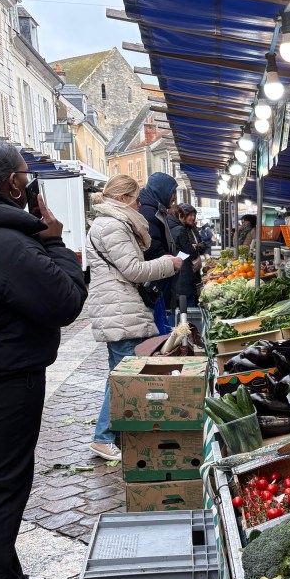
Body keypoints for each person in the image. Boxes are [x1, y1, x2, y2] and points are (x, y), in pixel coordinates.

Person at [0, 138, 87, 579]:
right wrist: (54, 240)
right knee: (5, 485)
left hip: (5, 370)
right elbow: (65, 301)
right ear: (14, 183)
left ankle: (6, 578)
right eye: (26, 176)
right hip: (7, 379)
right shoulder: (9, 243)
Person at [87, 174, 182, 461]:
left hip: (120, 310)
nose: (140, 205)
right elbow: (133, 270)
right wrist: (168, 264)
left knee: (118, 375)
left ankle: (112, 434)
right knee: (124, 378)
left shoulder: (112, 223)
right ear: (122, 199)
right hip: (120, 310)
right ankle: (103, 438)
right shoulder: (112, 226)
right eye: (136, 199)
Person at [139, 171, 178, 315]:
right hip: (155, 280)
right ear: (162, 190)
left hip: (158, 276)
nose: (174, 197)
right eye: (173, 192)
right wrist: (171, 263)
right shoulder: (149, 212)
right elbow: (152, 248)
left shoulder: (156, 209)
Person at [174, 202, 205, 309]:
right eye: (190, 215)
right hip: (186, 269)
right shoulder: (182, 229)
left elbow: (199, 243)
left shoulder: (193, 228)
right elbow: (187, 250)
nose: (192, 218)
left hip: (195, 270)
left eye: (193, 215)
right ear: (183, 215)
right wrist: (194, 248)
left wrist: (199, 246)